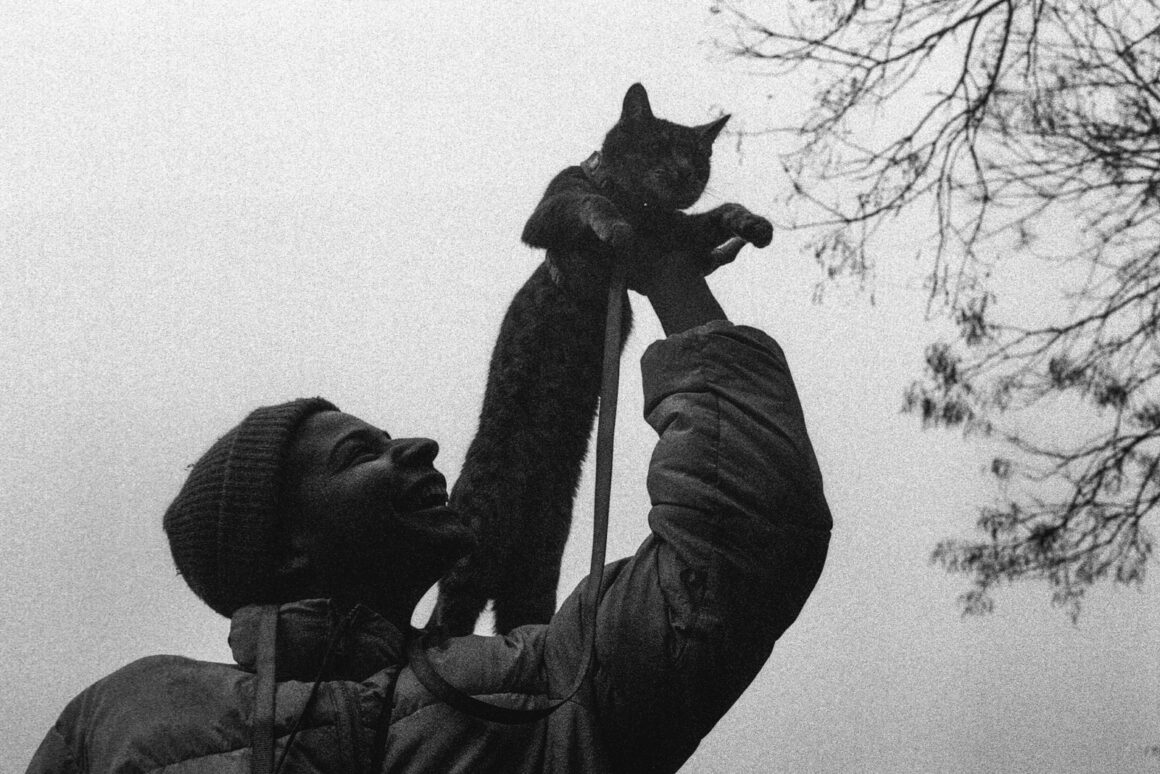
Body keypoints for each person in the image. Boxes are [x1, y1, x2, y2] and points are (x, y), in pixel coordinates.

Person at [25, 244, 831, 774]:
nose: (418, 446)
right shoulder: (124, 716)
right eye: (358, 455)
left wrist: (671, 275)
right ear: (287, 550)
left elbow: (739, 542)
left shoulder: (544, 685)